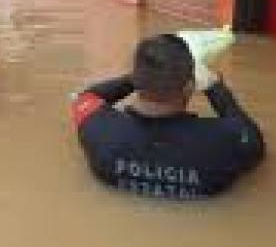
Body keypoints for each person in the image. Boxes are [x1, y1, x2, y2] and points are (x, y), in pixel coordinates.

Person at [72, 34, 265, 200]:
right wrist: (216, 88)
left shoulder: (99, 129)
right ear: (190, 86)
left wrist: (137, 78)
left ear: (137, 80)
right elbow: (254, 141)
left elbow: (85, 97)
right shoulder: (223, 142)